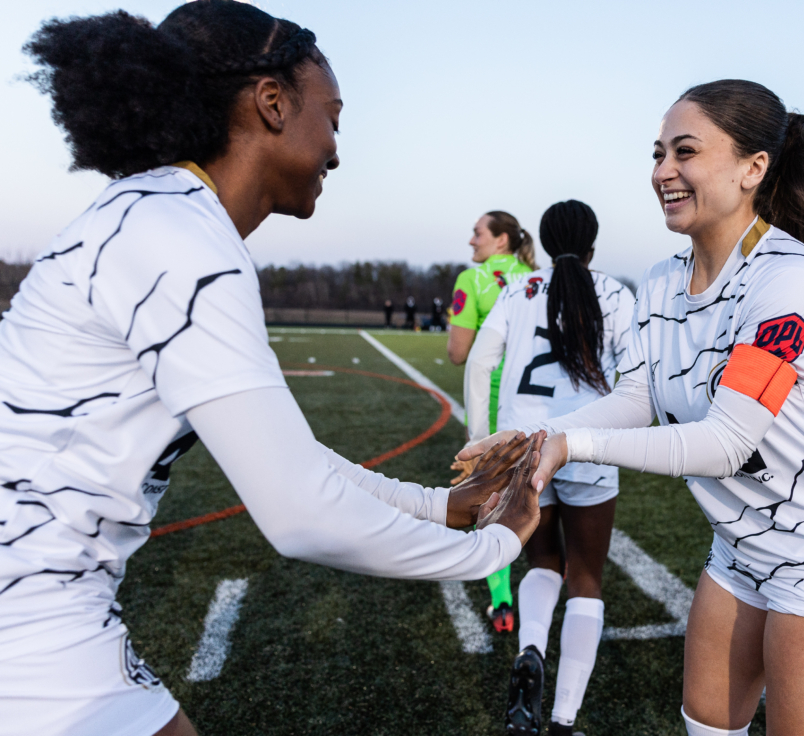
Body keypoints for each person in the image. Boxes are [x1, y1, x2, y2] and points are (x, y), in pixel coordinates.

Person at [0, 4, 543, 735]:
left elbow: (286, 459)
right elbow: (301, 512)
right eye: (334, 119)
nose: (337, 151)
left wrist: (436, 504)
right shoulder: (180, 239)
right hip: (30, 615)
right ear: (272, 103)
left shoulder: (159, 215)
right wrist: (494, 548)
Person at [462, 80, 804, 736]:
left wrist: (570, 447)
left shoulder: (787, 280)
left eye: (686, 151)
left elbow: (727, 441)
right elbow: (636, 400)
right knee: (704, 724)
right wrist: (531, 437)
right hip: (740, 550)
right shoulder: (663, 280)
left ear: (753, 168)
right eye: (658, 152)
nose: (663, 171)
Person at [464, 200, 634, 736]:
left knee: (542, 566)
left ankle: (531, 651)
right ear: (592, 246)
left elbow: (478, 361)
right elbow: (636, 380)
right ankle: (562, 720)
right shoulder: (614, 293)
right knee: (586, 579)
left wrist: (479, 442)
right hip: (586, 447)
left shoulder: (517, 291)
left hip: (522, 450)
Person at [447, 210, 537, 633]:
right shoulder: (537, 277)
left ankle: (502, 603)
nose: (471, 241)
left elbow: (458, 353)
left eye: (478, 233)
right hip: (540, 409)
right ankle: (551, 584)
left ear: (501, 240)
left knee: (491, 505)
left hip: (493, 410)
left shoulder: (473, 280)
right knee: (542, 499)